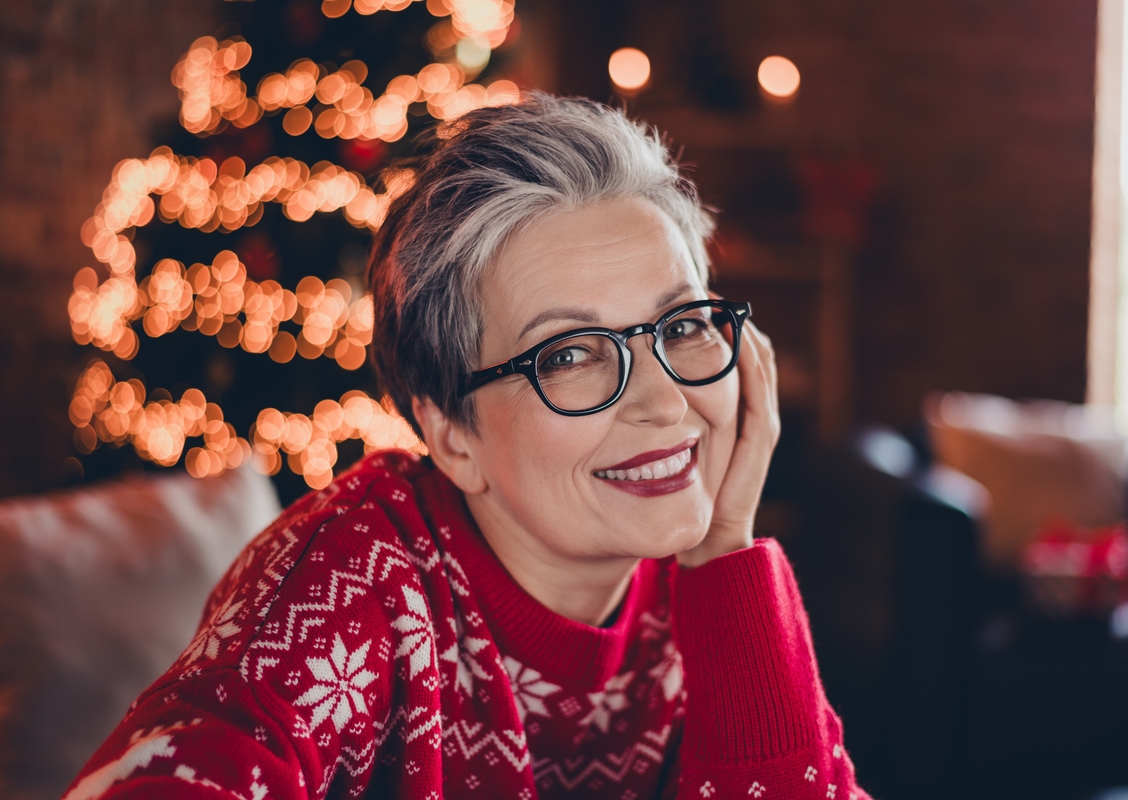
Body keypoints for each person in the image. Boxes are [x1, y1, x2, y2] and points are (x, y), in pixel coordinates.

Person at [64, 93, 869, 800]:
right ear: (452, 435)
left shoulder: (707, 581)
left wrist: (726, 555)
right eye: (570, 354)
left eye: (683, 324)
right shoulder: (351, 580)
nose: (666, 402)